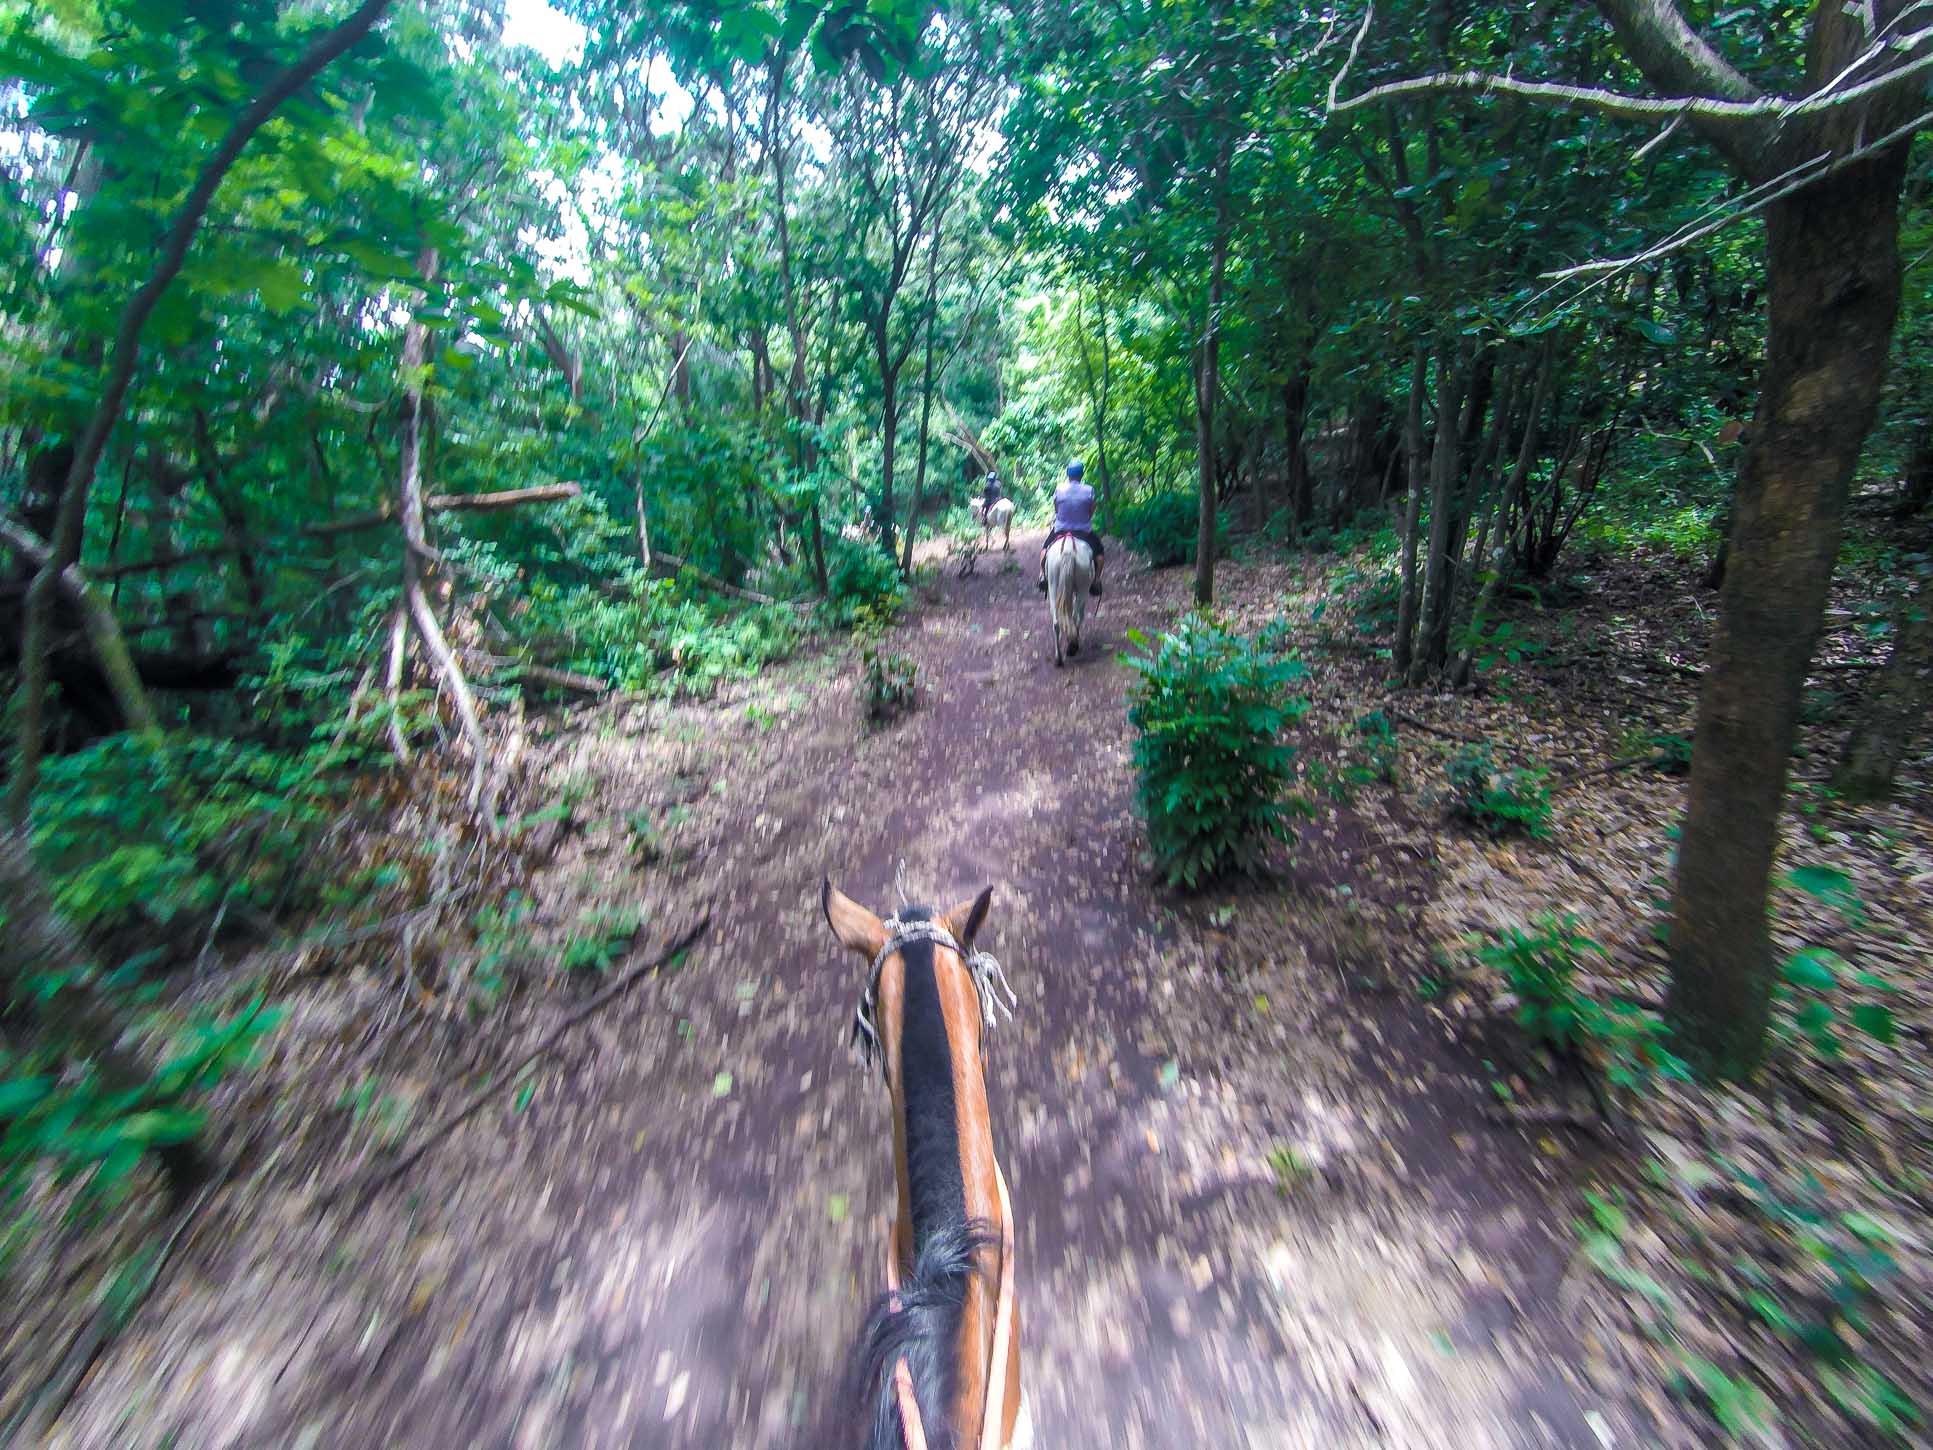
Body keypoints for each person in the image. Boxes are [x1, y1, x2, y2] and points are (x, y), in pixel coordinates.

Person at [1037, 460, 1103, 597]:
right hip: (1083, 531)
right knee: (1100, 553)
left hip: (1061, 529)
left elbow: (1056, 509)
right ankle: (1096, 580)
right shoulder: (1089, 490)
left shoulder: (1059, 489)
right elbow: (1091, 511)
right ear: (1081, 474)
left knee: (1044, 548)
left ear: (1068, 474)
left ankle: (1043, 574)